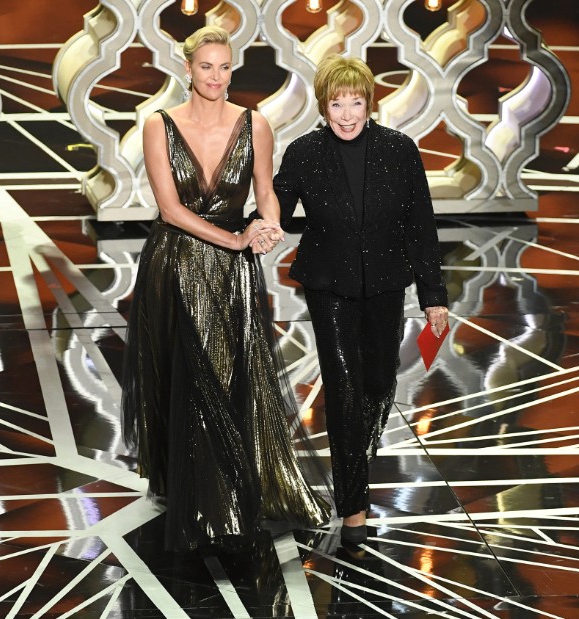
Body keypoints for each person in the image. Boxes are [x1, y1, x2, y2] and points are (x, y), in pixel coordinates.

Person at [120, 25, 330, 553]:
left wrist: (269, 224)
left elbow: (266, 190)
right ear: (187, 68)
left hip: (234, 271)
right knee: (190, 377)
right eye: (207, 66)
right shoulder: (158, 125)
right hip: (177, 265)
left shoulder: (255, 123)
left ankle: (232, 488)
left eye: (225, 67)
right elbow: (170, 210)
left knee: (232, 373)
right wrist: (235, 240)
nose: (217, 77)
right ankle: (203, 500)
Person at [272, 55, 449, 545]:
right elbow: (278, 213)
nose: (346, 113)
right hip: (329, 285)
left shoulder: (400, 150)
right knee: (343, 388)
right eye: (336, 103)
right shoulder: (304, 152)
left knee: (377, 385)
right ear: (323, 105)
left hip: (387, 285)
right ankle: (354, 506)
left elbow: (421, 227)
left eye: (356, 102)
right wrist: (239, 222)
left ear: (371, 103)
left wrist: (434, 297)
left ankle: (355, 469)